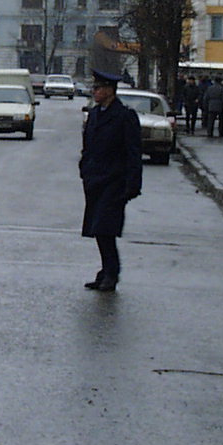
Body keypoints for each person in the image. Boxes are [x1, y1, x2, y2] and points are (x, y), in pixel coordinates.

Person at [78, 69, 142, 292]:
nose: (94, 92)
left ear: (109, 91)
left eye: (98, 89)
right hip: (95, 180)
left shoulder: (125, 116)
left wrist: (133, 184)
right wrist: (84, 170)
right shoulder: (95, 114)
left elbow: (134, 152)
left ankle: (111, 273)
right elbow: (88, 145)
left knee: (106, 228)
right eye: (94, 88)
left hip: (114, 181)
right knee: (98, 229)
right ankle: (105, 271)